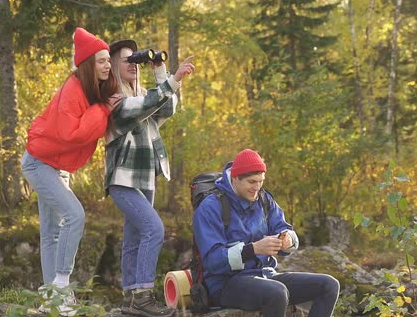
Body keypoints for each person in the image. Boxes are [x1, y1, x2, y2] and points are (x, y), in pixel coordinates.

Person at [21, 27, 121, 316]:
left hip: (56, 165)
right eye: (101, 60)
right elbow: (71, 133)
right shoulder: (73, 89)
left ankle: (51, 300)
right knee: (74, 215)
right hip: (39, 163)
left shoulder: (94, 89)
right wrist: (102, 110)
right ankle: (62, 287)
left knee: (51, 233)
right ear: (88, 64)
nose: (107, 66)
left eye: (108, 60)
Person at [104, 38, 195, 317]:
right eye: (126, 60)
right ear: (113, 66)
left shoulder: (144, 94)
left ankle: (131, 298)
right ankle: (142, 296)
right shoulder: (113, 99)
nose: (133, 64)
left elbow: (166, 108)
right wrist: (174, 78)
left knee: (133, 238)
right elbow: (147, 104)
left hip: (145, 181)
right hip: (122, 179)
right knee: (154, 229)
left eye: (136, 59)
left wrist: (159, 70)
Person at [193, 149, 340, 317]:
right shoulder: (210, 207)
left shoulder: (264, 199)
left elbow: (285, 228)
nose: (257, 188)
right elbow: (213, 261)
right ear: (235, 178)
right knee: (276, 293)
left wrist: (288, 239)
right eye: (252, 182)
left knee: (329, 285)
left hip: (265, 275)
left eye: (261, 181)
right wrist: (253, 249)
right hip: (225, 284)